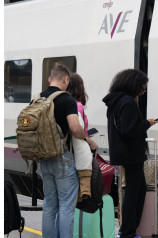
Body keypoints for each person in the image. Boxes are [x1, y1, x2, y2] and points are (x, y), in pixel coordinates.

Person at [102, 69, 158, 238]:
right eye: (142, 88)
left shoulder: (116, 100)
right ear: (134, 85)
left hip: (124, 151)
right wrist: (146, 124)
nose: (143, 91)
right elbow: (129, 130)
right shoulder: (128, 102)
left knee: (138, 190)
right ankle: (127, 232)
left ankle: (130, 229)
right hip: (131, 153)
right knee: (133, 193)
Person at [39, 65, 86, 238]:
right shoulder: (67, 100)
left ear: (50, 79)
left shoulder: (38, 99)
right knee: (66, 206)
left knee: (49, 205)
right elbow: (75, 128)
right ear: (66, 80)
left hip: (43, 158)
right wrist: (86, 139)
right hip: (63, 160)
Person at [67, 73, 98, 201]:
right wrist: (87, 139)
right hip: (77, 151)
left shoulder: (64, 102)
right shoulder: (77, 105)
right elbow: (75, 127)